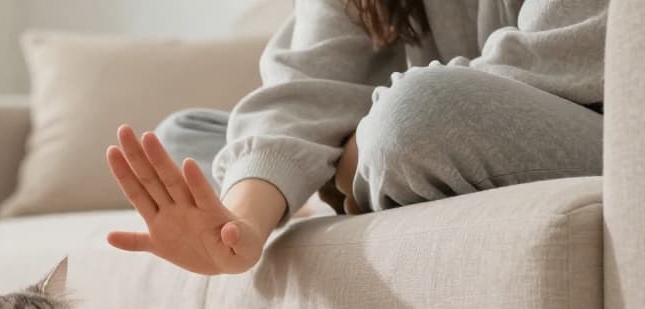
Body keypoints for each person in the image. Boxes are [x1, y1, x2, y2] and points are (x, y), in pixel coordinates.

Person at [105, 0, 607, 275]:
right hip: (405, 130)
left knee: (418, 113)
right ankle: (342, 183)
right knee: (184, 139)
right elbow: (302, 87)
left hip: (596, 130)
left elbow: (544, 64)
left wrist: (356, 144)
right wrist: (240, 225)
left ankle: (336, 182)